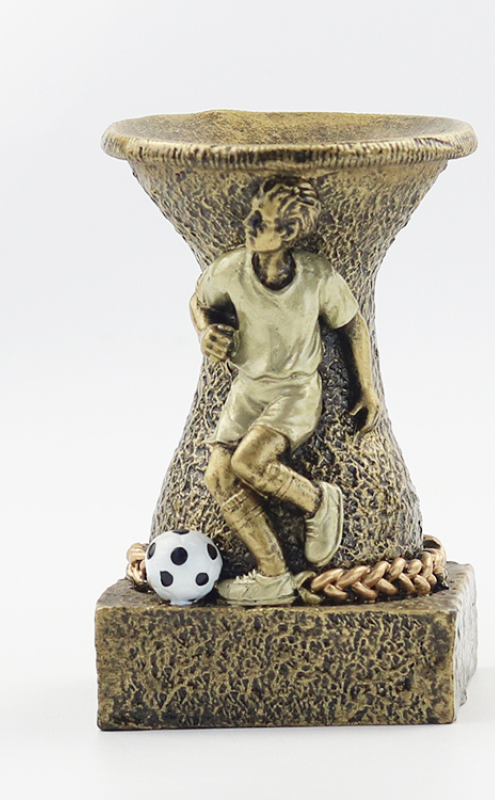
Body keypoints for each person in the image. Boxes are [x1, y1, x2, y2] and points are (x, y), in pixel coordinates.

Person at [190, 176, 380, 606]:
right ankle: (273, 574)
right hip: (248, 387)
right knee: (218, 475)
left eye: (262, 221)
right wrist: (205, 332)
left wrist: (368, 389)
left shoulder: (315, 276)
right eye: (252, 214)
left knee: (250, 460)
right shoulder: (230, 270)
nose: (249, 224)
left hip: (295, 391)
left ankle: (318, 501)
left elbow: (353, 324)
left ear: (289, 232)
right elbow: (198, 301)